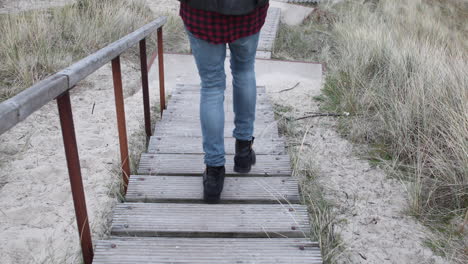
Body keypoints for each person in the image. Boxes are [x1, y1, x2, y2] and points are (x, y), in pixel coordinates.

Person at [178, 0, 270, 203]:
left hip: (201, 11)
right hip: (248, 9)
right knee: (245, 71)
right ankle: (244, 153)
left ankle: (214, 175)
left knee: (211, 86)